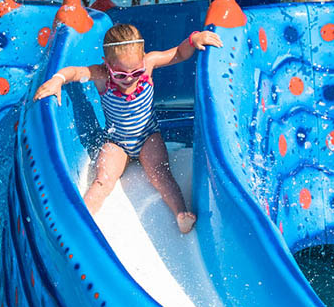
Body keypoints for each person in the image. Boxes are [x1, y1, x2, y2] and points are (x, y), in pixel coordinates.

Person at [33, 23, 222, 234]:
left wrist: (193, 40)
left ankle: (181, 214)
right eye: (121, 75)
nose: (130, 78)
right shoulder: (102, 75)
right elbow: (76, 72)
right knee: (102, 181)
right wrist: (57, 80)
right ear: (107, 64)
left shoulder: (149, 63)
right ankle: (81, 222)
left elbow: (178, 53)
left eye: (136, 71)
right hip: (117, 142)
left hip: (147, 137)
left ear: (142, 59)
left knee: (160, 174)